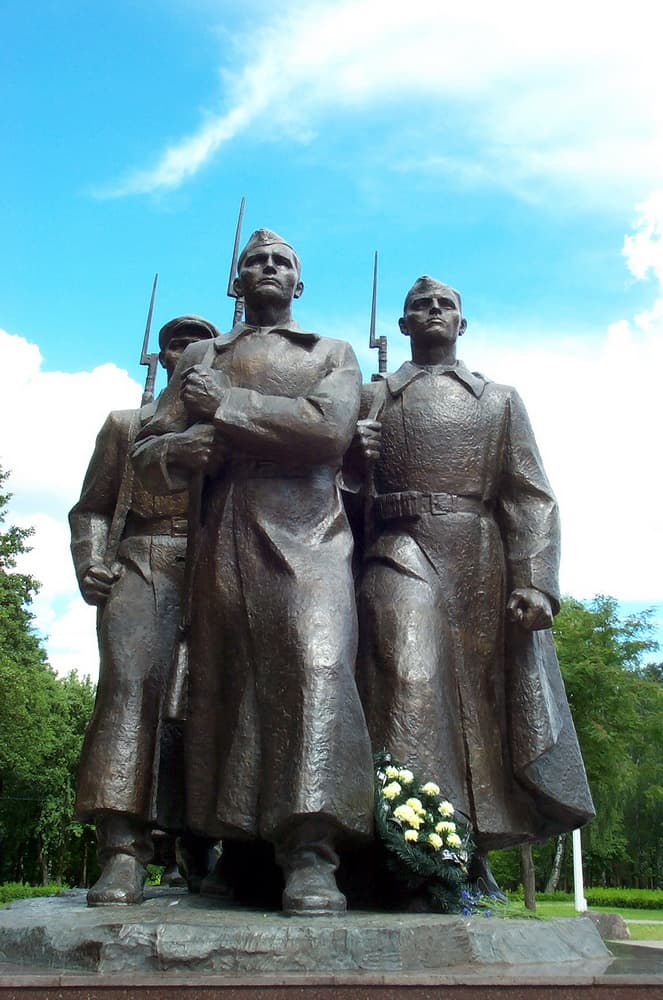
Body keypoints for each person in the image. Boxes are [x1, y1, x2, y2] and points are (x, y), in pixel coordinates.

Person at [131, 229, 374, 915]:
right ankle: (239, 847)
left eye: (283, 261)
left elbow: (326, 431)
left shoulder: (331, 353)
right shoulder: (203, 357)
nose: (268, 267)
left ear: (299, 283)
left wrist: (225, 408)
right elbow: (146, 450)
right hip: (225, 526)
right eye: (254, 261)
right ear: (235, 283)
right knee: (227, 685)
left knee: (315, 666)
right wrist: (184, 446)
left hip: (310, 530)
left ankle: (311, 853)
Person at [354, 276, 594, 893]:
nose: (433, 311)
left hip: (479, 558)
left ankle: (464, 847)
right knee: (407, 673)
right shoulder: (372, 396)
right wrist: (356, 462)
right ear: (403, 325)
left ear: (463, 323)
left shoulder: (499, 400)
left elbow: (530, 496)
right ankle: (408, 847)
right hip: (397, 544)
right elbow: (335, 500)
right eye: (420, 306)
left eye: (446, 305)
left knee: (481, 704)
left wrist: (536, 582)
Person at [70, 315, 219, 906]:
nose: (186, 352)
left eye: (197, 345)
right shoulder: (125, 426)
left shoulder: (230, 431)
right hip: (142, 560)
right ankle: (123, 849)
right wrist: (90, 561)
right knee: (131, 689)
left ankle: (207, 845)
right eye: (176, 345)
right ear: (161, 360)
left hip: (218, 563)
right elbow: (93, 508)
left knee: (209, 702)